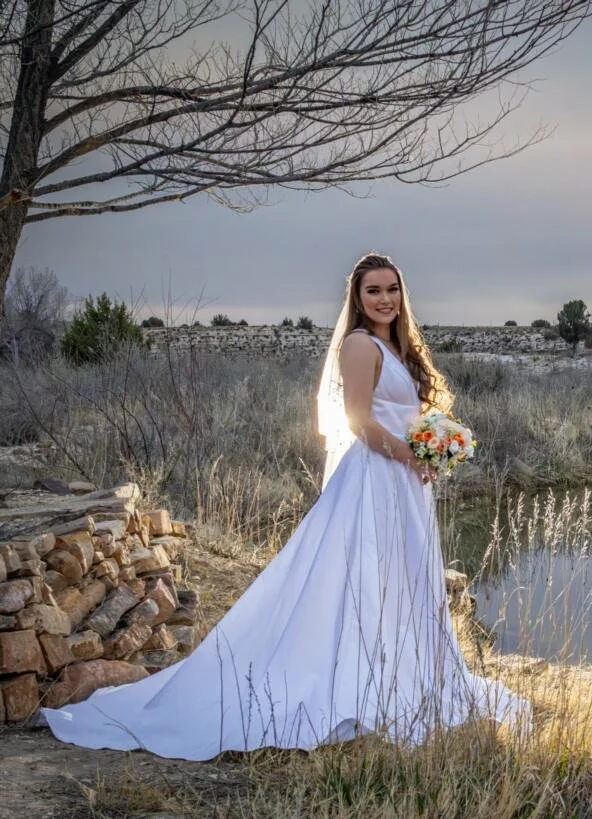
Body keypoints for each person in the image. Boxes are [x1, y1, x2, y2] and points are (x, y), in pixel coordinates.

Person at [41, 252, 531, 761]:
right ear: (357, 300)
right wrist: (413, 455)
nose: (385, 299)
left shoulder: (396, 346)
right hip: (375, 479)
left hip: (402, 480)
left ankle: (396, 671)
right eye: (373, 291)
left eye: (392, 289)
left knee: (401, 576)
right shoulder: (360, 346)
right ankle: (350, 676)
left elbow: (398, 416)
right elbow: (360, 422)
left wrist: (433, 448)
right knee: (359, 573)